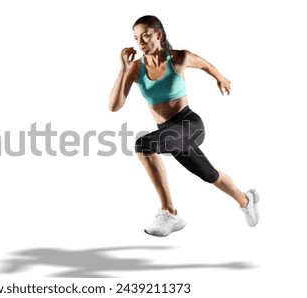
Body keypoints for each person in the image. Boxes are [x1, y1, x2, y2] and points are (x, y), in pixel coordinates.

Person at [109, 15, 259, 237]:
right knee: (209, 174)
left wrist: (221, 77)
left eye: (145, 35)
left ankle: (169, 212)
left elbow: (204, 64)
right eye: (136, 37)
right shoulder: (136, 68)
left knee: (144, 145)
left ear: (158, 35)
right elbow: (114, 106)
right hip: (168, 134)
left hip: (190, 125)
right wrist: (123, 69)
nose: (140, 41)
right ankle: (246, 199)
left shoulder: (179, 58)